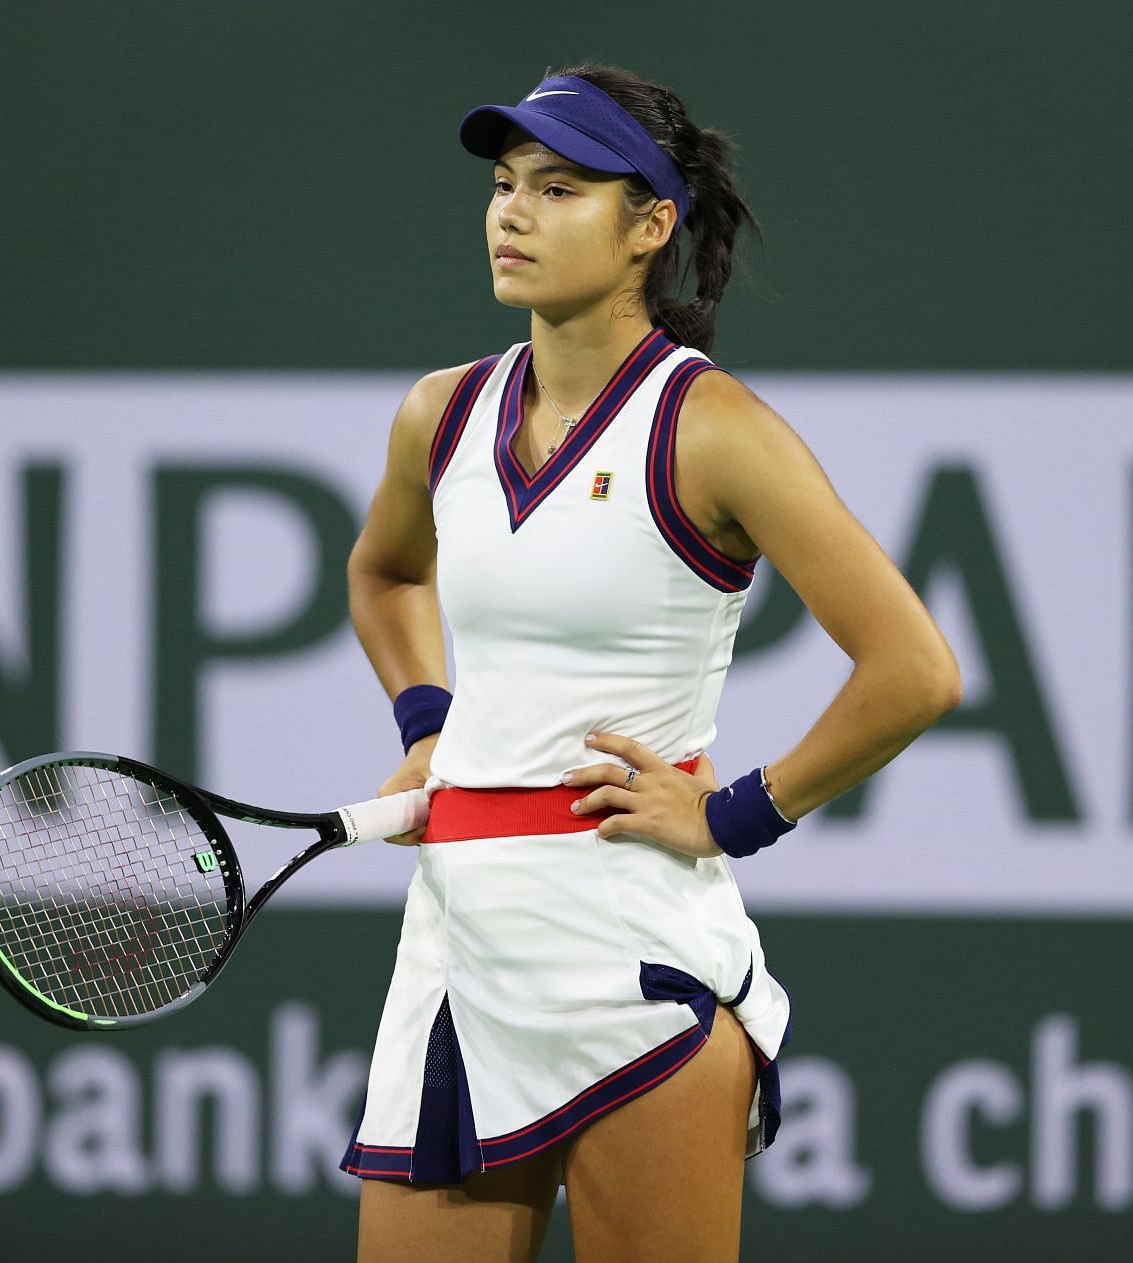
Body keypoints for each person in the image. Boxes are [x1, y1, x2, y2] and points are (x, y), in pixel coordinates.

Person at [343, 63, 962, 1263]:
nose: (513, 213)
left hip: (633, 960)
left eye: (561, 186)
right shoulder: (443, 413)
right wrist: (428, 719)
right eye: (505, 184)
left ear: (650, 228)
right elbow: (386, 574)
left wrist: (737, 815)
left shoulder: (713, 429)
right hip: (459, 957)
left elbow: (914, 668)